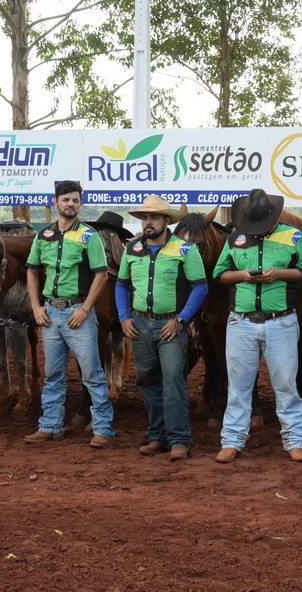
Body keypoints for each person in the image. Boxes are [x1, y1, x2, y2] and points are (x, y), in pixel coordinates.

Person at [212, 189, 302, 464]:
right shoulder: (235, 238)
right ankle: (232, 440)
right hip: (241, 322)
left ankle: (295, 441)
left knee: (286, 384)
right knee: (238, 385)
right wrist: (242, 275)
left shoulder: (295, 236)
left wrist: (279, 274)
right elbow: (219, 274)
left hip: (281, 321)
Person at [24, 180, 115, 448]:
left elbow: (102, 275)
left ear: (80, 203)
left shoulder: (89, 236)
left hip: (78, 313)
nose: (70, 204)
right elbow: (32, 270)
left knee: (92, 373)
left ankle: (103, 429)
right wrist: (35, 306)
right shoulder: (43, 236)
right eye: (65, 200)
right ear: (56, 203)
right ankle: (50, 425)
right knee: (54, 374)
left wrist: (85, 309)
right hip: (50, 312)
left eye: (75, 200)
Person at [116, 196, 208, 461]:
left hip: (171, 324)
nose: (148, 222)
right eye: (144, 218)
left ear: (166, 221)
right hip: (140, 323)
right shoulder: (132, 249)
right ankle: (158, 436)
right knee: (147, 381)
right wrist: (124, 317)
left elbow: (200, 286)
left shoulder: (185, 249)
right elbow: (121, 285)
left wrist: (182, 320)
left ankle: (179, 439)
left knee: (173, 380)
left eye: (154, 218)